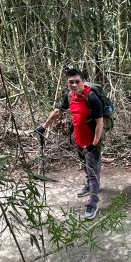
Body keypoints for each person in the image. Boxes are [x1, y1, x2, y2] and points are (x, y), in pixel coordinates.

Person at [37, 68, 104, 219]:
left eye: (77, 82)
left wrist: (94, 143)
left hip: (92, 141)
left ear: (83, 81)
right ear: (67, 83)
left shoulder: (92, 97)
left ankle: (93, 202)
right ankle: (89, 186)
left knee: (93, 172)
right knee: (85, 166)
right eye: (71, 82)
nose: (74, 85)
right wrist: (44, 126)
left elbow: (100, 124)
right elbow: (57, 112)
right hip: (78, 139)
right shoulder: (69, 96)